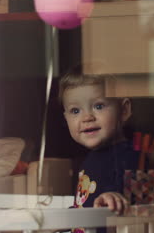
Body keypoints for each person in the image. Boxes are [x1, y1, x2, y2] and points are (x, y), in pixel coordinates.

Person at [59, 66, 139, 216]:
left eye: (98, 106)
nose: (87, 117)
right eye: (75, 111)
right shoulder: (90, 158)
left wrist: (113, 196)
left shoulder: (129, 156)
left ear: (124, 111)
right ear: (66, 118)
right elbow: (85, 206)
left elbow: (135, 203)